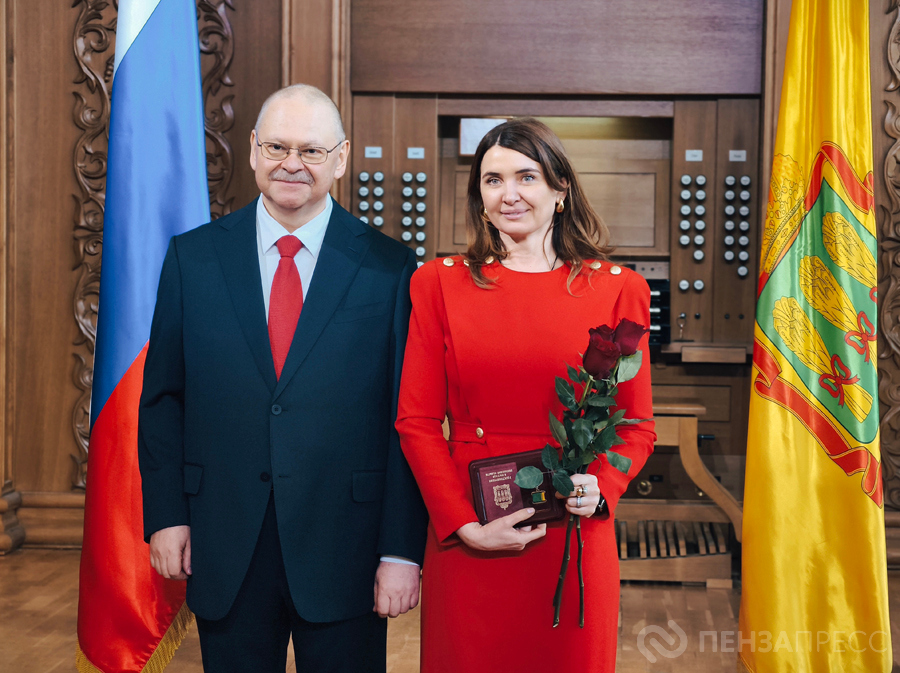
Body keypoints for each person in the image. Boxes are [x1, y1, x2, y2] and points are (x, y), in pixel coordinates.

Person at [138, 84, 427, 672]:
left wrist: (401, 550)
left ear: (340, 160)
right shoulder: (192, 259)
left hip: (345, 546)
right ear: (252, 149)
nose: (291, 163)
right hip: (224, 541)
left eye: (311, 151)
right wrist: (167, 515)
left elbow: (406, 419)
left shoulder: (390, 267)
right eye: (277, 146)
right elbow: (164, 399)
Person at [395, 118, 656, 672]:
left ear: (561, 190)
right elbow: (416, 421)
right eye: (493, 180)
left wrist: (601, 488)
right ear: (480, 198)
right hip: (470, 528)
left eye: (526, 177)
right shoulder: (438, 283)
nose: (508, 194)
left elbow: (636, 425)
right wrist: (462, 524)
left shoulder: (619, 289)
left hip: (573, 531)